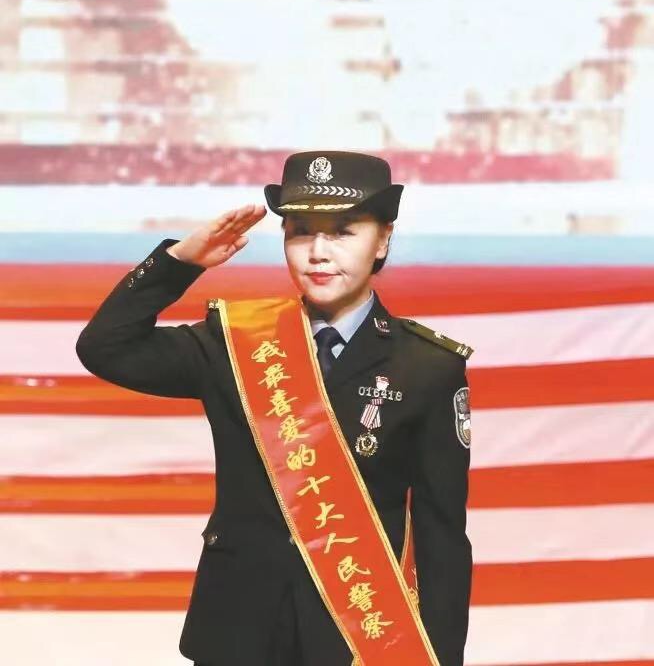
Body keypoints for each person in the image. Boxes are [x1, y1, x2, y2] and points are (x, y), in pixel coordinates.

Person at [75, 150, 474, 666]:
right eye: (301, 232)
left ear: (383, 240)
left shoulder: (427, 366)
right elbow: (106, 348)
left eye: (343, 232)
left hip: (357, 634)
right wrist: (180, 262)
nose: (318, 253)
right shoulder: (236, 343)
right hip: (238, 628)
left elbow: (442, 538)